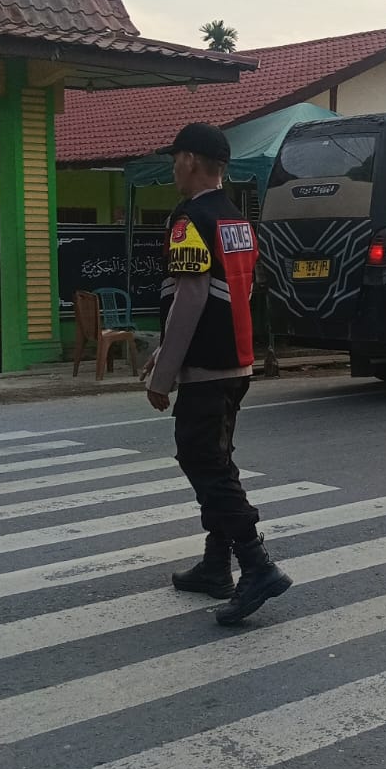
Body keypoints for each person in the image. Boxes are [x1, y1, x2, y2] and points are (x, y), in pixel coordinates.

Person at [143, 122, 291, 627]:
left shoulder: (190, 220)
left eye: (175, 157)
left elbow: (190, 298)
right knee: (216, 458)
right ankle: (215, 563)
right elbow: (235, 295)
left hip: (206, 366)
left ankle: (255, 563)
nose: (172, 167)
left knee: (204, 462)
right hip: (236, 361)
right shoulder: (237, 221)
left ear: (190, 160)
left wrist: (163, 374)